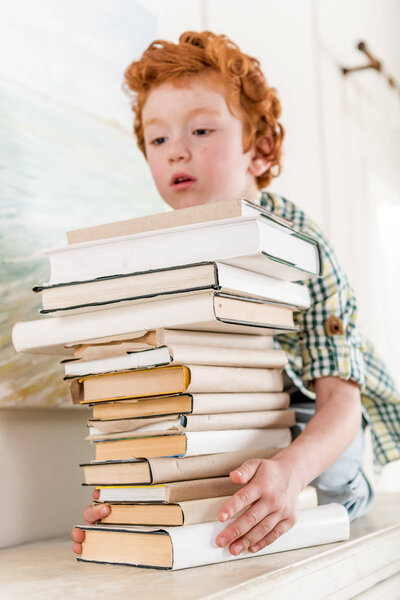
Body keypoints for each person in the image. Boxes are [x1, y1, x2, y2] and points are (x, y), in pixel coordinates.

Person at [71, 31, 400, 557]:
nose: (176, 149)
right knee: (186, 445)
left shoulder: (301, 245)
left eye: (201, 129)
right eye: (158, 140)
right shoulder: (151, 254)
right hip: (220, 415)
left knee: (329, 478)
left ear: (259, 148)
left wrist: (292, 471)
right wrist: (137, 492)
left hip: (315, 412)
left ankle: (283, 487)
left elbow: (341, 401)